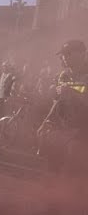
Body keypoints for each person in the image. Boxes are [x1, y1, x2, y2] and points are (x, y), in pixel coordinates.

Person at [37, 40, 88, 173]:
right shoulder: (63, 75)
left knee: (76, 170)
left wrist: (72, 91)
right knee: (53, 166)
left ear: (82, 54)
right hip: (63, 127)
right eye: (63, 54)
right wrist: (45, 122)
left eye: (68, 53)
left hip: (83, 129)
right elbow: (58, 101)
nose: (64, 57)